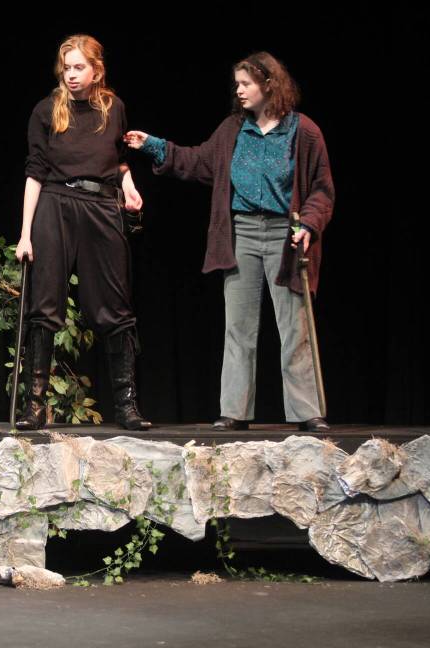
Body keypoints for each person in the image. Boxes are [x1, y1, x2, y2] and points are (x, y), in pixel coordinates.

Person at [124, 51, 334, 432]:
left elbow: (322, 189)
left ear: (269, 84)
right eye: (237, 84)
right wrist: (154, 145)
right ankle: (234, 411)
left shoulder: (303, 132)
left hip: (286, 237)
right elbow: (198, 161)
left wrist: (311, 226)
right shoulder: (233, 129)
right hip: (242, 233)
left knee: (294, 327)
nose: (238, 91)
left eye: (246, 83)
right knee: (238, 327)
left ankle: (307, 412)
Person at [15, 34, 151, 431]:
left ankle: (127, 407)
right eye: (67, 68)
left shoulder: (114, 108)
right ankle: (34, 407)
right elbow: (34, 172)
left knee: (115, 306)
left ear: (96, 71)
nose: (72, 75)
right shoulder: (46, 110)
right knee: (44, 305)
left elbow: (119, 160)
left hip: (101, 206)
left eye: (79, 68)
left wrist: (128, 186)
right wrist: (25, 234)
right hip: (55, 204)